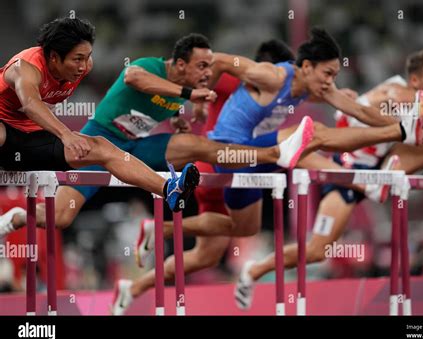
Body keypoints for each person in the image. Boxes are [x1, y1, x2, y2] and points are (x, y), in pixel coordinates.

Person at [0, 33, 319, 237]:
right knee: (61, 218)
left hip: (137, 148)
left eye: (210, 66)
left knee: (199, 146)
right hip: (102, 143)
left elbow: (158, 105)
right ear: (180, 64)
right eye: (202, 66)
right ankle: (16, 217)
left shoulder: (183, 92)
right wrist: (187, 94)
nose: (208, 73)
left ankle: (275, 154)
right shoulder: (149, 67)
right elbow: (135, 79)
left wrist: (180, 116)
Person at [235, 47, 423, 310]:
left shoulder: (416, 110)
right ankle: (254, 270)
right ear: (416, 82)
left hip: (379, 169)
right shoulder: (388, 92)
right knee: (316, 251)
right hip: (345, 176)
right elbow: (396, 96)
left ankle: (385, 180)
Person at [111, 39, 297, 315]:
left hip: (233, 167)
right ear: (267, 68)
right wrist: (196, 104)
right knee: (245, 227)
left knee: (205, 255)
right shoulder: (239, 84)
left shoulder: (278, 99)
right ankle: (162, 229)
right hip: (217, 164)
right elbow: (208, 72)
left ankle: (135, 286)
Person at [0, 17, 200, 237]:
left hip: (32, 141)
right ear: (54, 57)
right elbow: (30, 104)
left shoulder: (83, 68)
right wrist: (66, 134)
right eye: (77, 59)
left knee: (103, 147)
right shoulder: (24, 67)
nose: (84, 66)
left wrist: (173, 113)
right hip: (5, 134)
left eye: (87, 58)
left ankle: (169, 189)